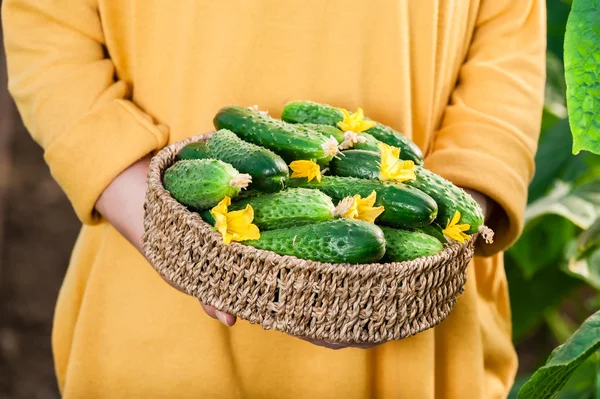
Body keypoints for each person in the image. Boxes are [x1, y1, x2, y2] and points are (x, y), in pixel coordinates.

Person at [2, 0, 545, 397]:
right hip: (159, 328)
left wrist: (443, 226)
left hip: (414, 325)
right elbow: (48, 27)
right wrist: (158, 221)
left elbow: (508, 40)